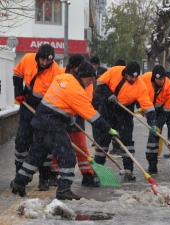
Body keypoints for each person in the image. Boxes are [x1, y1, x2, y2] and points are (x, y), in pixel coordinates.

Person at [11, 60, 118, 200]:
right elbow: (92, 116)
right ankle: (64, 189)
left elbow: (60, 98)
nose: (91, 83)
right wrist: (108, 129)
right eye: (90, 79)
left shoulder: (64, 77)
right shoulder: (77, 91)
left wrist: (68, 116)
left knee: (36, 155)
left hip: (39, 120)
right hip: (52, 125)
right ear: (83, 76)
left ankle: (19, 182)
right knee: (67, 157)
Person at [12, 44, 64, 191]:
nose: (45, 63)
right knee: (21, 142)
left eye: (48, 61)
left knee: (44, 145)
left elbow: (58, 97)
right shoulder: (28, 59)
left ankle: (44, 179)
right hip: (27, 107)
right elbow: (17, 74)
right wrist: (19, 92)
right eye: (42, 60)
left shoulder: (57, 73)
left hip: (45, 111)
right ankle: (18, 176)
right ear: (38, 57)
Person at [94, 62, 157, 181]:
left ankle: (128, 169)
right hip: (108, 108)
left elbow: (147, 105)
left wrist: (152, 121)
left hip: (125, 111)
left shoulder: (140, 85)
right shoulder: (114, 71)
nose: (133, 79)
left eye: (136, 77)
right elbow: (100, 83)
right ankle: (98, 169)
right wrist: (109, 95)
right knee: (103, 140)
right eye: (131, 76)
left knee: (127, 140)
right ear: (125, 74)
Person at [50, 54, 100, 187]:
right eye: (78, 67)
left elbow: (85, 101)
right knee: (58, 147)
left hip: (77, 117)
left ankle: (87, 174)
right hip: (60, 116)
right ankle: (54, 173)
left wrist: (75, 115)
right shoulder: (61, 75)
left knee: (81, 147)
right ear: (72, 67)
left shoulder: (86, 80)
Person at [141, 65, 170, 176]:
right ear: (154, 78)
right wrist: (143, 109)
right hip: (154, 109)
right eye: (159, 79)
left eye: (163, 78)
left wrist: (158, 124)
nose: (162, 81)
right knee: (153, 134)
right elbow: (138, 94)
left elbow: (166, 111)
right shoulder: (144, 79)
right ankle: (152, 165)